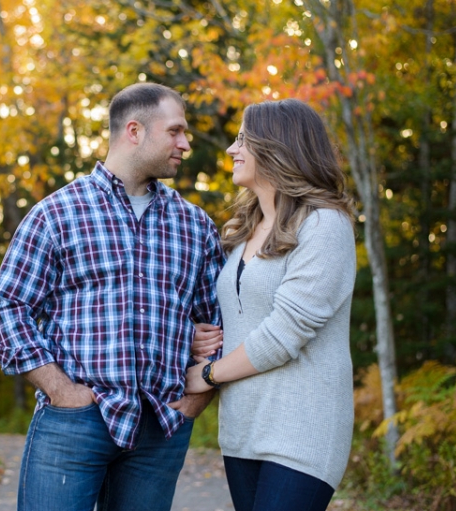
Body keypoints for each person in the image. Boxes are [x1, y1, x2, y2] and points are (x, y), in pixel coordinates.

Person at [0, 82, 223, 511]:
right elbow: (8, 304)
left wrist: (193, 402)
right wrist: (60, 390)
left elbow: (219, 325)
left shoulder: (196, 226)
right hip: (74, 422)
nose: (185, 143)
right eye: (175, 131)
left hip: (161, 426)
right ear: (134, 131)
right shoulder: (57, 214)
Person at [186, 98, 356, 511]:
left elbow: (284, 333)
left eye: (243, 138)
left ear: (278, 146)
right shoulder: (244, 231)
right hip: (243, 429)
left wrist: (207, 374)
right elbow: (237, 319)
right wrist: (195, 337)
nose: (232, 149)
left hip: (302, 429)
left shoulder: (324, 225)